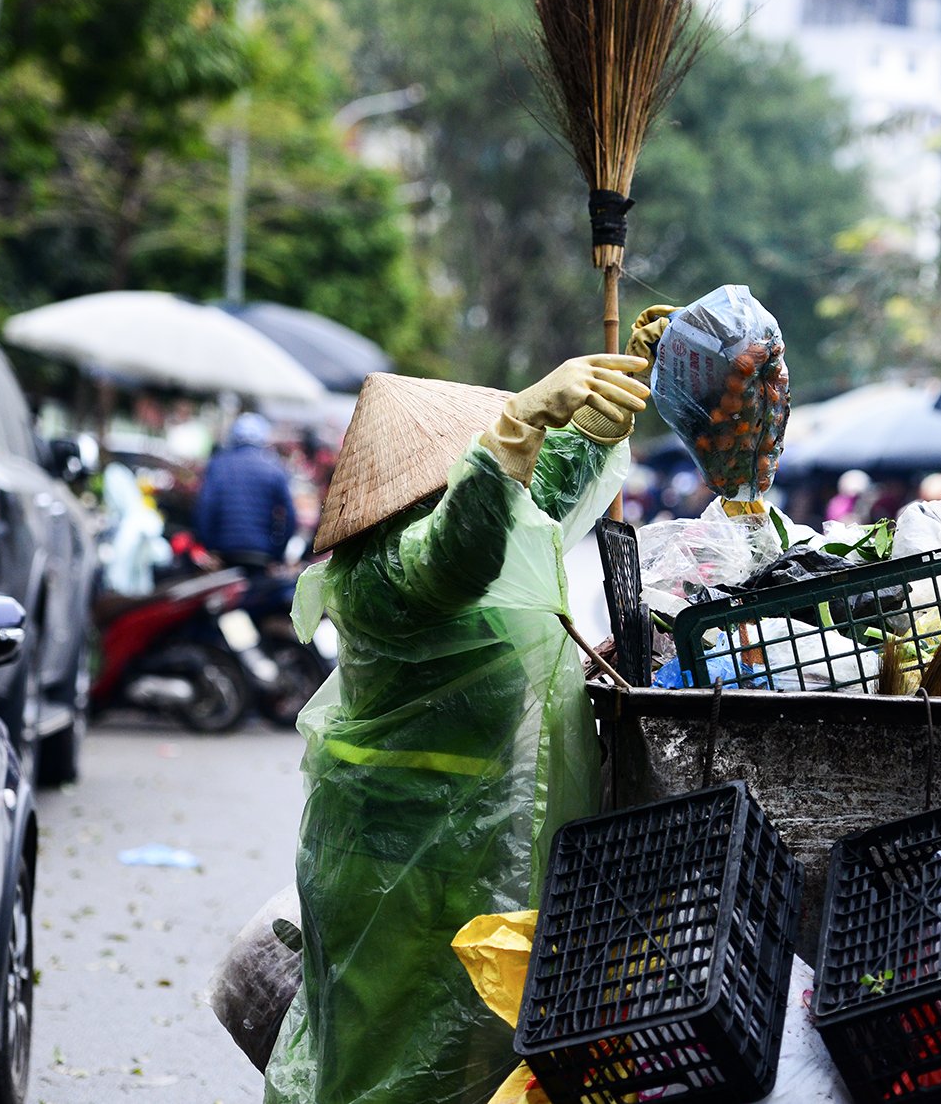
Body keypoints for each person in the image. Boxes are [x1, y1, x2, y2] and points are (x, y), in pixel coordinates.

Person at [262, 346, 653, 1104]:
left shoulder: (478, 532)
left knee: (471, 1059)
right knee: (379, 1072)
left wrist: (597, 426)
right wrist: (513, 426)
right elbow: (460, 549)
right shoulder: (378, 575)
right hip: (383, 865)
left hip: (467, 856)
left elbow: (540, 495)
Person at [193, 413, 299, 567]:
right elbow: (289, 515)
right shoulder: (275, 467)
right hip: (262, 553)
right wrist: (277, 551)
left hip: (224, 553)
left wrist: (209, 545)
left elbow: (205, 507)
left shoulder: (218, 464)